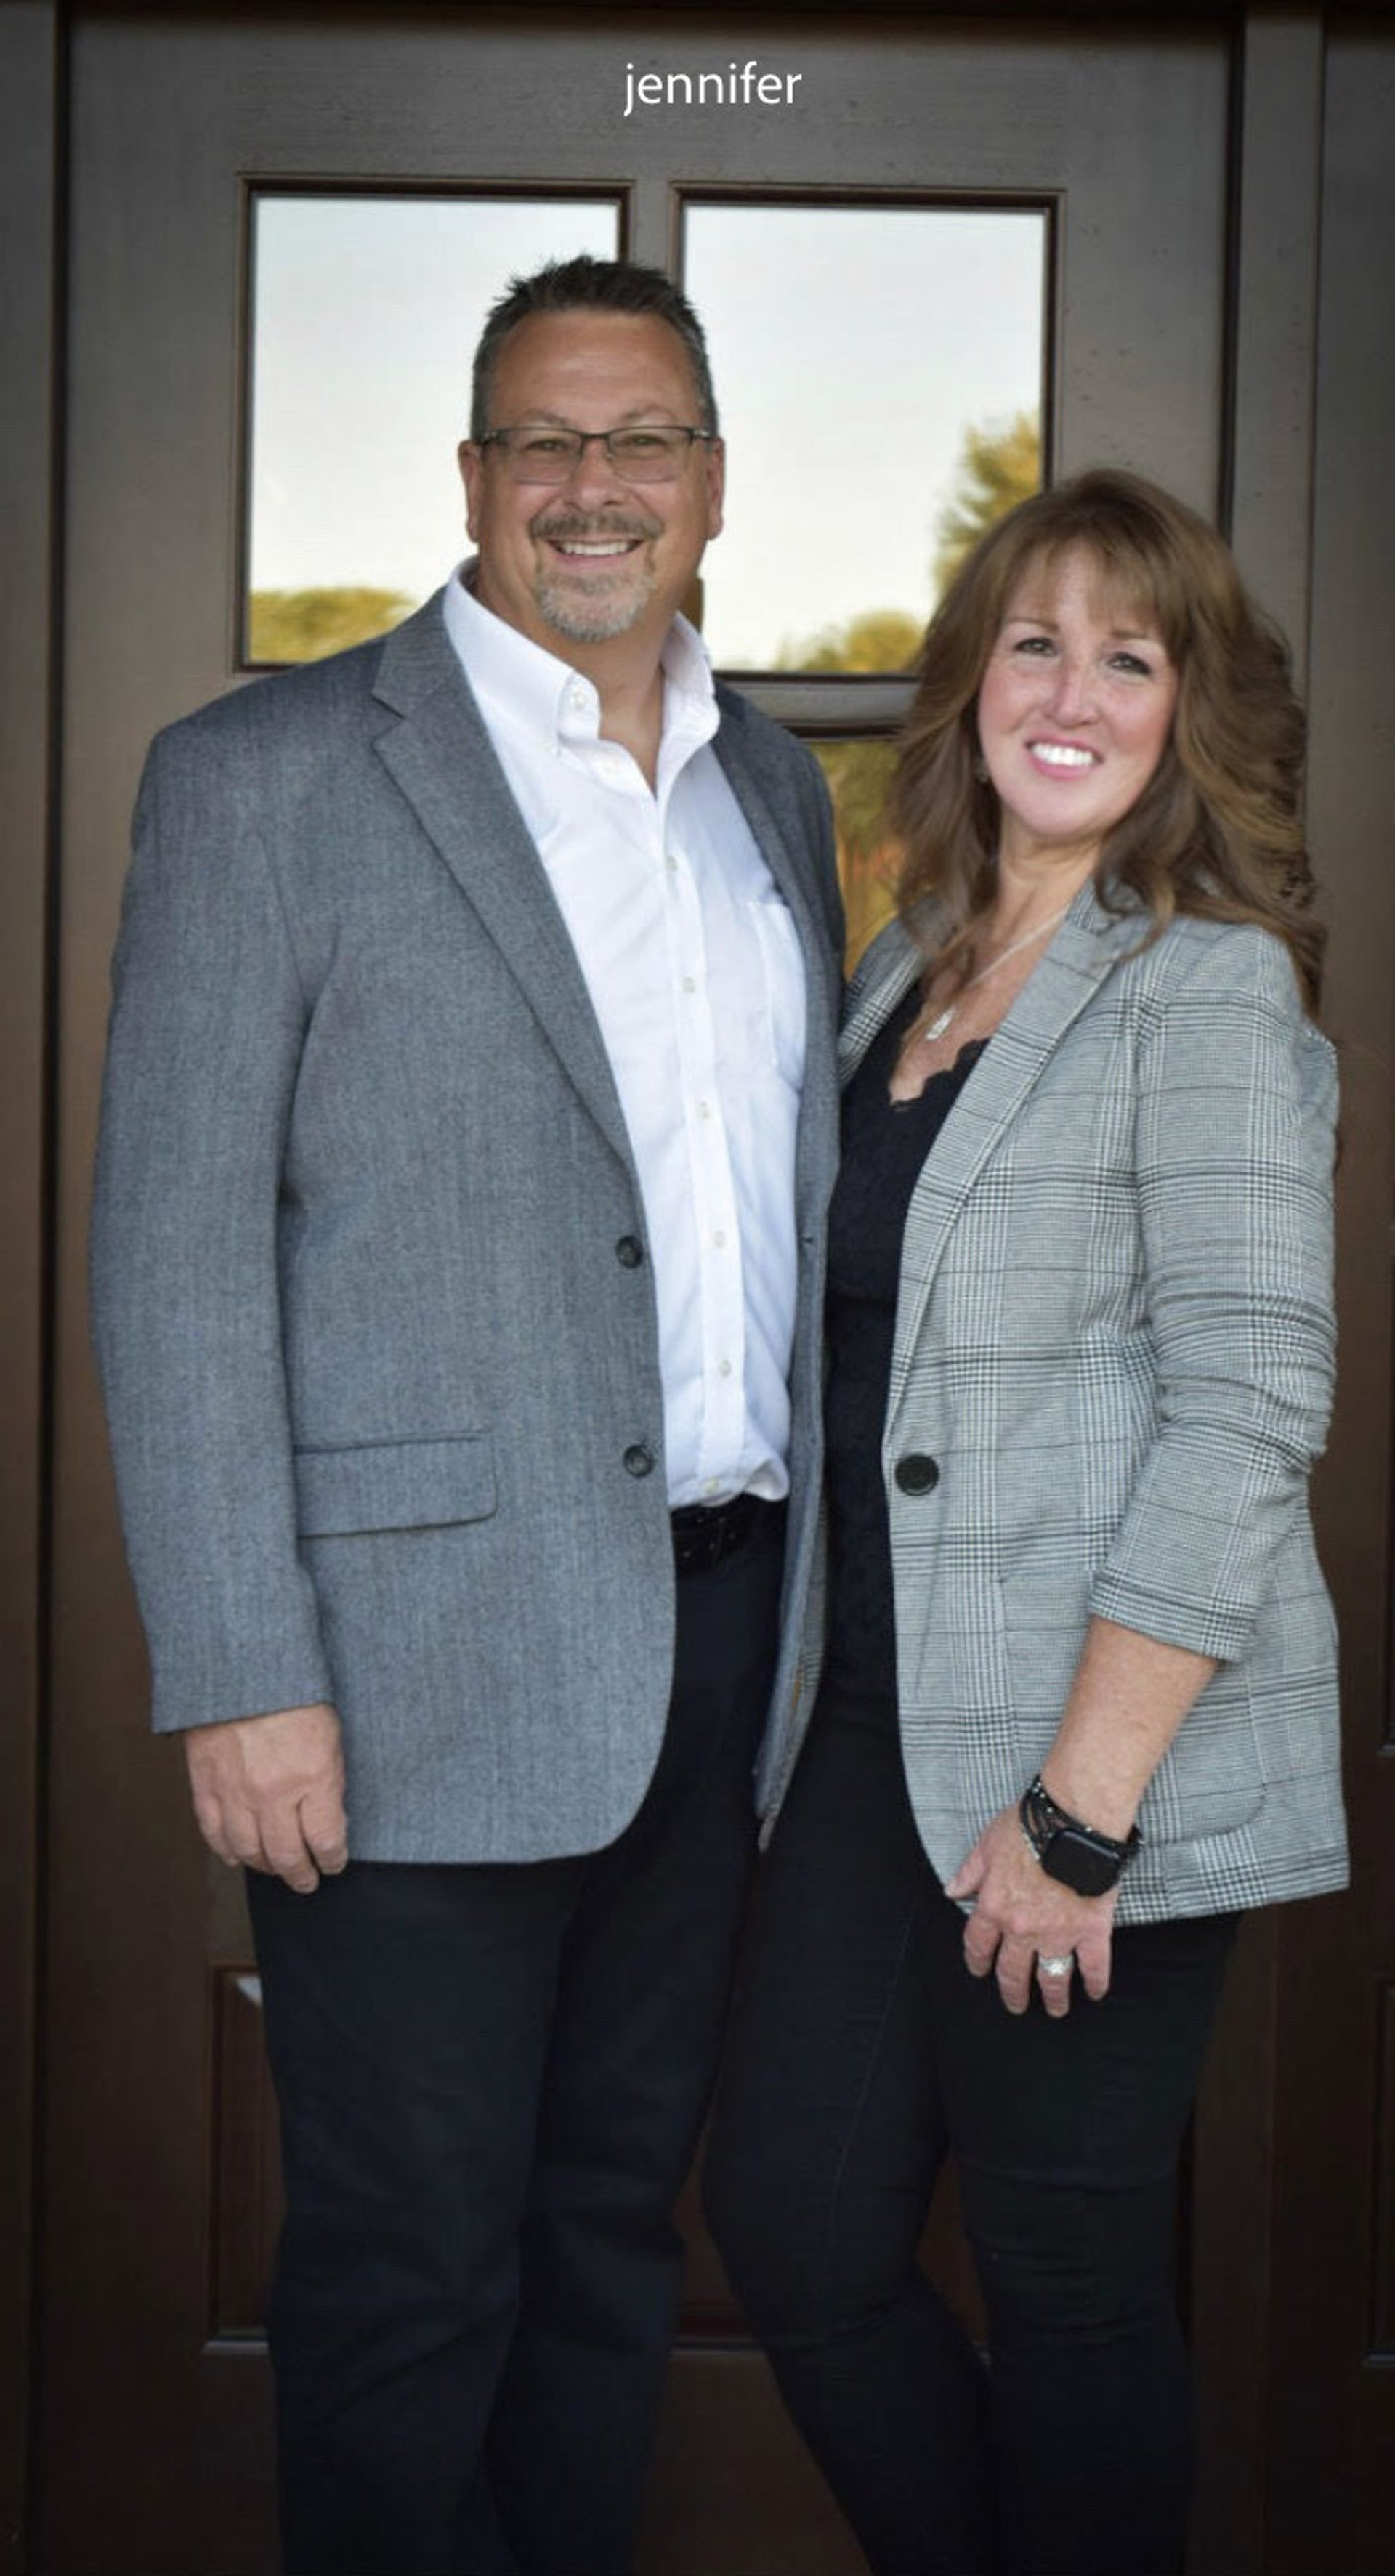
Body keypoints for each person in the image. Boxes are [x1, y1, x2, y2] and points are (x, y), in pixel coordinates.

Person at [89, 254, 841, 2576]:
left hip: (724, 1652)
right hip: (398, 1684)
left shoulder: (782, 799)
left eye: (642, 442)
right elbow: (175, 1245)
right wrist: (241, 1663)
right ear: (475, 479)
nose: (592, 489)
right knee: (414, 2274)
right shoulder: (270, 778)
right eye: (545, 441)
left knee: (612, 2243)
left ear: (710, 481)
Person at [703, 468, 1348, 2576]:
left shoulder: (1209, 992)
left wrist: (1082, 1811)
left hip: (1103, 1762)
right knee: (798, 2234)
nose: (1071, 691)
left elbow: (1252, 1407)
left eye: (1130, 655)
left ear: (1189, 710)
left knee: (1069, 2286)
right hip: (869, 1750)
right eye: (1036, 641)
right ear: (977, 678)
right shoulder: (911, 966)